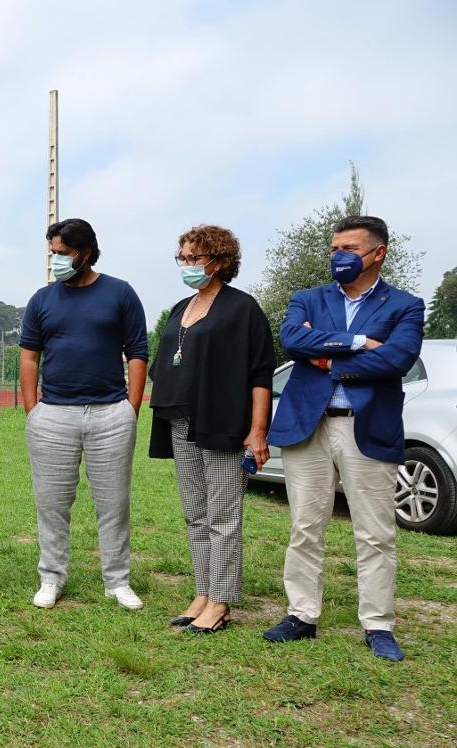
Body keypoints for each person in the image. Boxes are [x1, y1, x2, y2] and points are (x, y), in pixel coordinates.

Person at [262, 215, 424, 661]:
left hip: (366, 427)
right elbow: (292, 340)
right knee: (305, 526)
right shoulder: (307, 298)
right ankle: (301, 614)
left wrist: (327, 358)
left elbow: (396, 359)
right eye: (334, 248)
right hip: (308, 425)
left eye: (349, 249)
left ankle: (377, 624)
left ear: (378, 253)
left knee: (375, 533)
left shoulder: (405, 305)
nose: (338, 256)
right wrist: (360, 342)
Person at [148, 225, 274, 633]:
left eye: (194, 258)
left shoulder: (242, 308)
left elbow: (260, 373)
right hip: (180, 420)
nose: (186, 264)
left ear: (218, 261)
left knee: (223, 515)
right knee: (195, 514)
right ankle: (203, 593)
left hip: (222, 422)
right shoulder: (181, 307)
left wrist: (258, 430)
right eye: (182, 258)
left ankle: (221, 602)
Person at [21, 218, 149, 610]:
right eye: (52, 253)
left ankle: (117, 581)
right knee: (52, 505)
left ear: (86, 252)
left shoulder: (120, 293)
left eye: (63, 253)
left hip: (111, 414)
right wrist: (33, 412)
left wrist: (130, 408)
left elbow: (138, 352)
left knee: (113, 504)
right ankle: (51, 578)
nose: (56, 260)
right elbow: (29, 358)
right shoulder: (42, 300)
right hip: (53, 416)